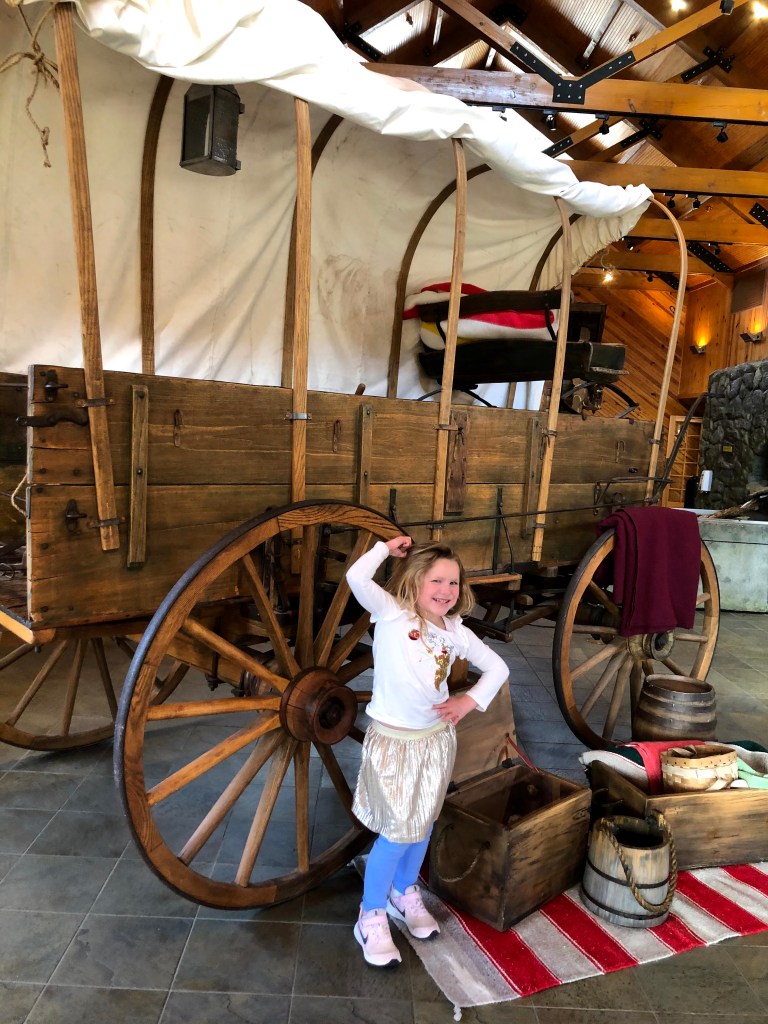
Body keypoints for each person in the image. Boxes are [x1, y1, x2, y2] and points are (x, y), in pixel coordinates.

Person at [346, 534, 509, 967]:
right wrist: (385, 549)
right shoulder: (392, 613)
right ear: (416, 582)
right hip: (395, 744)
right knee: (398, 829)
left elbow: (498, 667)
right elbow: (355, 577)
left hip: (435, 740)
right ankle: (371, 913)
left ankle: (404, 893)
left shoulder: (455, 631)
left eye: (454, 583)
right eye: (436, 580)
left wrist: (467, 700)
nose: (446, 591)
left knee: (423, 823)